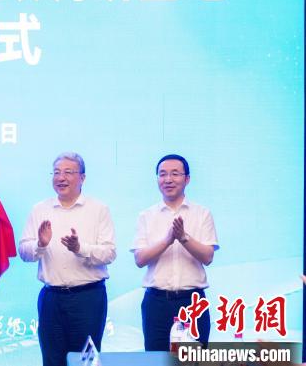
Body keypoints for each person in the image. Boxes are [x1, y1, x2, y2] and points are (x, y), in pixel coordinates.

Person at [19, 152, 116, 366]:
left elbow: (109, 253)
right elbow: (24, 252)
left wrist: (80, 248)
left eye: (68, 172)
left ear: (82, 177)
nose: (61, 178)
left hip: (88, 298)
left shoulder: (98, 209)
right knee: (52, 359)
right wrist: (40, 244)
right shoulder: (39, 209)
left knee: (85, 361)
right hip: (51, 299)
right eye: (56, 173)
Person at [131, 154, 219, 350]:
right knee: (156, 358)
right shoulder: (146, 215)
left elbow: (208, 256)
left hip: (192, 302)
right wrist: (168, 240)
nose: (168, 179)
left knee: (194, 359)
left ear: (187, 179)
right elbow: (139, 259)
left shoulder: (202, 213)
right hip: (156, 303)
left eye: (175, 174)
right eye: (162, 174)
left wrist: (183, 238)